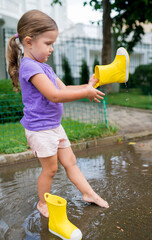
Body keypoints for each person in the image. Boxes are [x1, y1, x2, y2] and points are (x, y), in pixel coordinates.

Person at [7, 9, 109, 218]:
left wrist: (86, 87)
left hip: (54, 126)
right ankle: (42, 203)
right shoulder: (29, 67)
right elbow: (54, 95)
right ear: (28, 42)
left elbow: (64, 89)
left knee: (70, 162)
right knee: (51, 169)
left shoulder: (45, 67)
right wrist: (85, 92)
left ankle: (88, 193)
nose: (52, 48)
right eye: (48, 43)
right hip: (41, 130)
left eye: (53, 43)